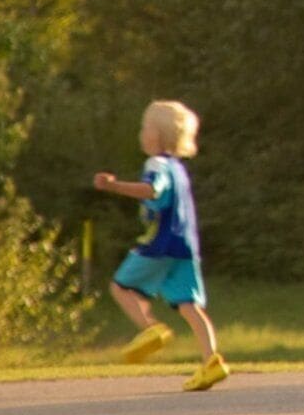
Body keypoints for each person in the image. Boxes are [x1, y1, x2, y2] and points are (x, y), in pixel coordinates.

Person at [93, 100, 226, 390]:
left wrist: (114, 186)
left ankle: (150, 328)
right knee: (189, 305)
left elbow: (152, 190)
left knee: (120, 286)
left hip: (161, 244)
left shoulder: (158, 165)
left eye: (145, 127)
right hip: (185, 248)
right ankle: (211, 361)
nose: (141, 133)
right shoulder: (179, 169)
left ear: (159, 134)